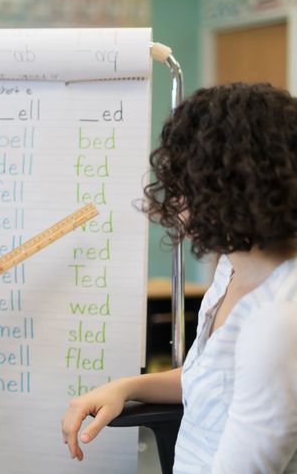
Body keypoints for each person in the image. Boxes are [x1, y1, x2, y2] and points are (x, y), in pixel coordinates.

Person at [60, 82, 297, 472]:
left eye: (182, 180)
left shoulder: (277, 320)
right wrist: (127, 386)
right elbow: (210, 380)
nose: (172, 198)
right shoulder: (230, 271)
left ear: (225, 185)